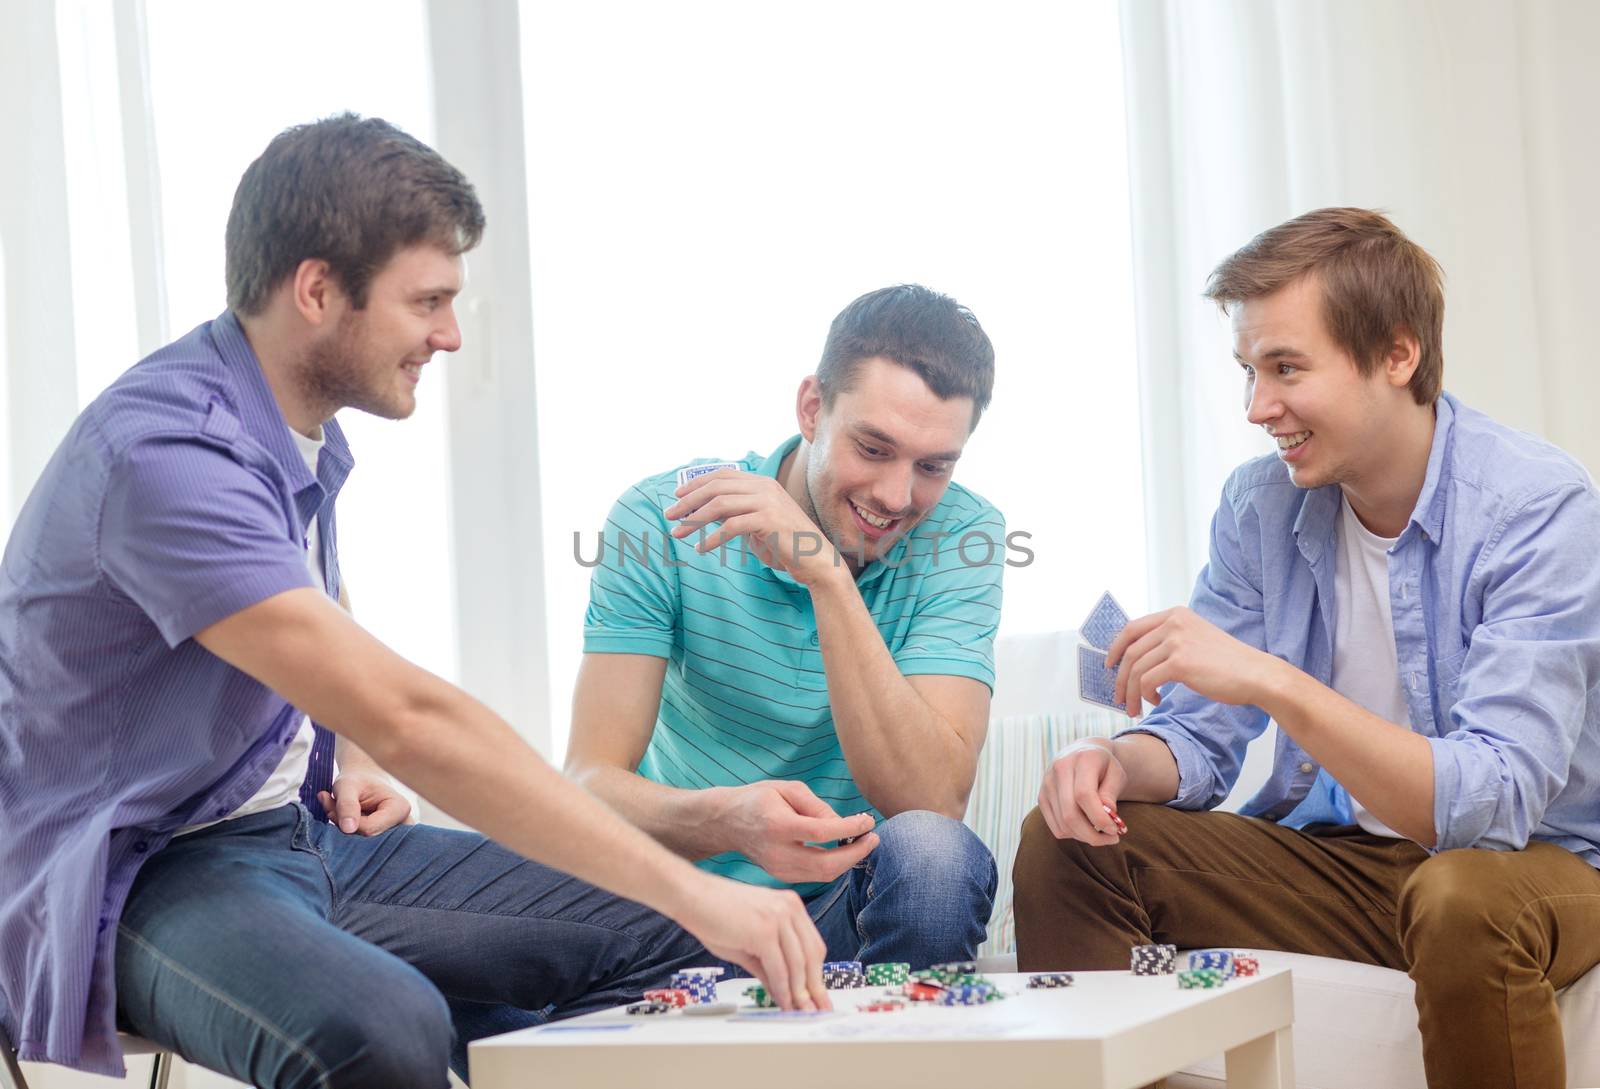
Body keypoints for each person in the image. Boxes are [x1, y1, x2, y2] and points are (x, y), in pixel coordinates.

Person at [0, 114, 829, 1089]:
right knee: (387, 1027)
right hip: (146, 871)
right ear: (316, 289)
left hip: (304, 836)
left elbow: (312, 615)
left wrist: (339, 748)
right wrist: (702, 890)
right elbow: (408, 714)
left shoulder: (282, 422)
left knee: (662, 939)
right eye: (427, 301)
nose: (450, 333)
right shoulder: (169, 459)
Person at [1013, 207, 1600, 1089]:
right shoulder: (1262, 507)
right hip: (1355, 866)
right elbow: (1200, 737)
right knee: (1070, 843)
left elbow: (1493, 799)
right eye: (1250, 371)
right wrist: (1112, 761)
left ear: (1397, 355)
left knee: (1459, 899)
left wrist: (1275, 681)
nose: (1258, 408)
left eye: (1286, 368)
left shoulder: (1535, 507)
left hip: (1538, 866)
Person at [564, 284, 1005, 969]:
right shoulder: (662, 518)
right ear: (811, 408)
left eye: (933, 467)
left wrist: (827, 578)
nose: (896, 495)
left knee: (937, 857)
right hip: (682, 909)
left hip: (841, 917)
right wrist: (728, 821)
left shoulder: (965, 535)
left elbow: (931, 802)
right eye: (873, 447)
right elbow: (589, 781)